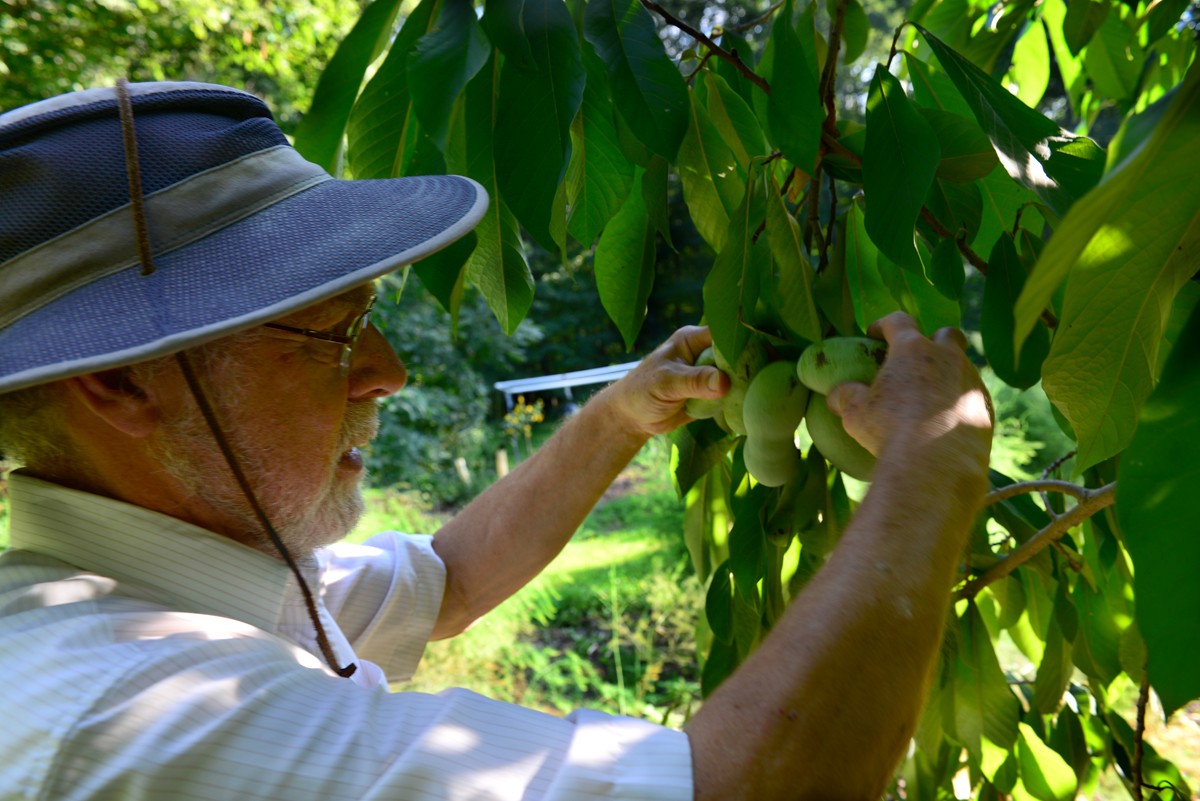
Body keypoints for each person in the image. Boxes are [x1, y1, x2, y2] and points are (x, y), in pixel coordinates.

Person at [0, 81, 992, 800]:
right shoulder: (137, 710)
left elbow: (452, 579)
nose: (388, 370)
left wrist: (619, 416)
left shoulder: (172, 581)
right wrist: (933, 461)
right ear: (124, 383)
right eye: (334, 332)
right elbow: (755, 786)